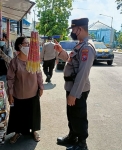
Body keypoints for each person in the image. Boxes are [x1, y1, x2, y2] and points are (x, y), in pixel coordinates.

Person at [54, 18, 96, 150]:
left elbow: (83, 73)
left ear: (80, 29)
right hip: (72, 87)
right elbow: (71, 60)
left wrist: (74, 94)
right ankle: (72, 136)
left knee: (79, 116)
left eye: (73, 29)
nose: (72, 32)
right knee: (71, 114)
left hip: (79, 89)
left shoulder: (87, 48)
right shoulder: (80, 44)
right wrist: (61, 51)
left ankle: (82, 144)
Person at [6, 36, 44, 144]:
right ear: (19, 46)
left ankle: (34, 131)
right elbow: (10, 79)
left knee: (34, 114)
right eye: (26, 43)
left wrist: (41, 87)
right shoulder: (14, 62)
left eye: (28, 43)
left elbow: (39, 73)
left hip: (33, 92)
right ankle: (17, 133)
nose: (28, 45)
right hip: (19, 94)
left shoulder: (33, 60)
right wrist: (10, 94)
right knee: (18, 115)